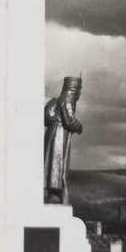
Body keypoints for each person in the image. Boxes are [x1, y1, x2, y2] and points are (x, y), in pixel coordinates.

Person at [43, 76, 83, 204]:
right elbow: (69, 120)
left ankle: (53, 192)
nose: (80, 93)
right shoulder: (67, 98)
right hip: (59, 136)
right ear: (74, 88)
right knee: (58, 163)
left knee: (53, 163)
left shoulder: (61, 98)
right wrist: (79, 127)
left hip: (55, 134)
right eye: (79, 89)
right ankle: (55, 192)